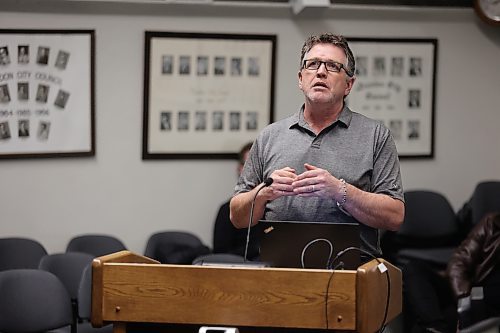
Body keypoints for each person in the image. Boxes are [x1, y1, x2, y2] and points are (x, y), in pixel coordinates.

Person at [229, 33, 405, 261]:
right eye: (312, 64)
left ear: (349, 85)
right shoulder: (269, 136)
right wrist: (264, 193)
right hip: (279, 271)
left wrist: (339, 191)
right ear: (301, 79)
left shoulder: (376, 136)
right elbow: (237, 216)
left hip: (352, 272)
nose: (321, 72)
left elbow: (394, 216)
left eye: (332, 66)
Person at [213, 142, 263, 259]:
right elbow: (219, 255)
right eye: (249, 166)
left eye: (260, 166)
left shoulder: (278, 208)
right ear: (240, 169)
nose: (255, 172)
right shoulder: (227, 209)